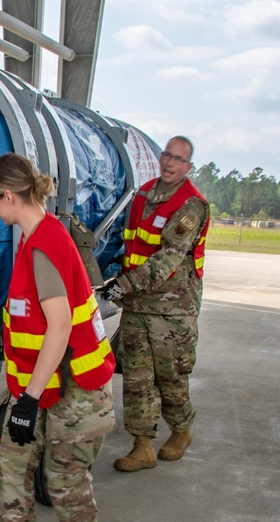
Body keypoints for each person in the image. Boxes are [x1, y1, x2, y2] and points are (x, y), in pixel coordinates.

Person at [0, 153, 117, 522]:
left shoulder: (45, 245)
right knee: (12, 466)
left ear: (9, 196)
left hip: (75, 387)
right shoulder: (37, 237)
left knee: (63, 478)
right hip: (41, 383)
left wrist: (28, 400)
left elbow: (59, 327)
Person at [97, 136, 210, 472]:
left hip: (172, 310)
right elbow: (128, 244)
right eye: (167, 156)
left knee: (171, 375)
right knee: (136, 378)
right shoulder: (144, 194)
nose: (170, 164)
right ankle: (142, 445)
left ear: (188, 167)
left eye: (178, 160)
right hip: (137, 305)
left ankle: (181, 429)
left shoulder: (192, 204)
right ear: (160, 157)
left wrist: (120, 289)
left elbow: (167, 259)